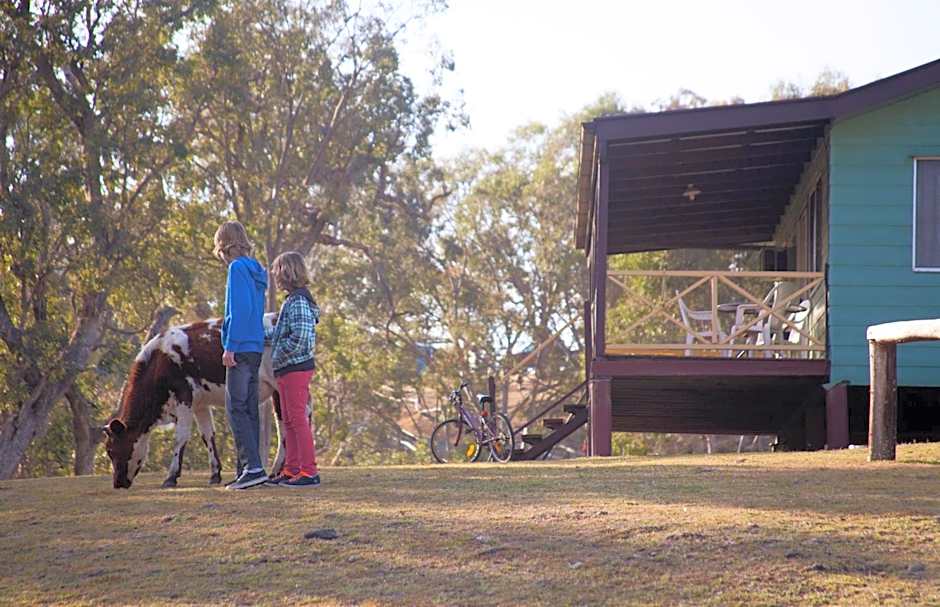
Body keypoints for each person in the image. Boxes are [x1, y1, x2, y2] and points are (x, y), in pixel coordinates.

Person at [213, 221, 269, 490]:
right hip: (256, 346)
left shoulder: (237, 269)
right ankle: (249, 467)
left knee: (236, 408)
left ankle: (253, 467)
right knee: (249, 408)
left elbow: (241, 308)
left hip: (241, 346)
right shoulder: (256, 270)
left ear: (224, 245)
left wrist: (230, 345)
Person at [265, 251, 321, 488]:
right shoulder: (291, 300)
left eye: (277, 270)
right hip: (287, 369)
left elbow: (301, 338)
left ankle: (309, 472)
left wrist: (278, 353)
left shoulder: (298, 301)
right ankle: (292, 469)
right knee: (289, 420)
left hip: (295, 369)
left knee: (298, 420)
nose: (274, 276)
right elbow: (280, 334)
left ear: (287, 272)